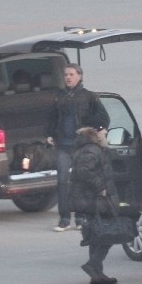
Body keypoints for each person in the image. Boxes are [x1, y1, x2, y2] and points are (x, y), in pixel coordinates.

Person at [45, 63, 109, 232]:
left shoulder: (89, 96)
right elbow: (51, 117)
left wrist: (92, 127)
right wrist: (50, 134)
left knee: (81, 182)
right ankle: (64, 219)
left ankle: (81, 218)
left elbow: (104, 118)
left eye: (71, 74)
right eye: (66, 74)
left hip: (82, 148)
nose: (68, 77)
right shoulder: (59, 96)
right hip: (63, 146)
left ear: (79, 76)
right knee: (62, 182)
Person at [69, 124, 120, 284]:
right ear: (97, 135)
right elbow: (83, 171)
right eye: (105, 134)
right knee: (108, 233)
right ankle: (93, 266)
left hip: (90, 200)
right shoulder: (91, 150)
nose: (107, 136)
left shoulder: (90, 149)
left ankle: (97, 274)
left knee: (96, 235)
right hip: (94, 200)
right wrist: (101, 188)